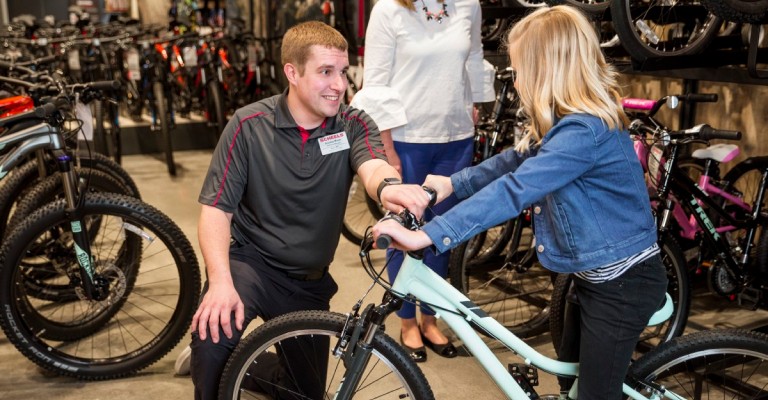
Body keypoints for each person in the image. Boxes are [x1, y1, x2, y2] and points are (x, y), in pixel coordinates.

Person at [372, 5, 668, 399]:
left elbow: (516, 188)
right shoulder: (565, 122)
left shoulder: (584, 130)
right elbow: (516, 160)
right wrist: (448, 185)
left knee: (595, 393)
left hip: (622, 285)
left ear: (548, 69)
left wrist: (430, 235)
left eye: (520, 70)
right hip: (591, 275)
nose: (516, 80)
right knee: (570, 381)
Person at [186, 20, 431, 400]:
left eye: (343, 72)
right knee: (212, 338)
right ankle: (218, 360)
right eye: (325, 72)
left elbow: (373, 167)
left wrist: (390, 190)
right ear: (292, 73)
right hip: (252, 265)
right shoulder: (248, 125)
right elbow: (216, 211)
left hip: (308, 282)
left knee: (305, 393)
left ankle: (244, 363)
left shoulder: (352, 123)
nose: (339, 84)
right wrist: (220, 283)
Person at [349, 0, 494, 363]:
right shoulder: (388, 10)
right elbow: (376, 81)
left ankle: (430, 318)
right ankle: (406, 319)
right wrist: (386, 148)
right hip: (406, 139)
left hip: (456, 138)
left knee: (442, 234)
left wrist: (476, 105)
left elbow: (474, 56)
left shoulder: (467, 5)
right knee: (405, 233)